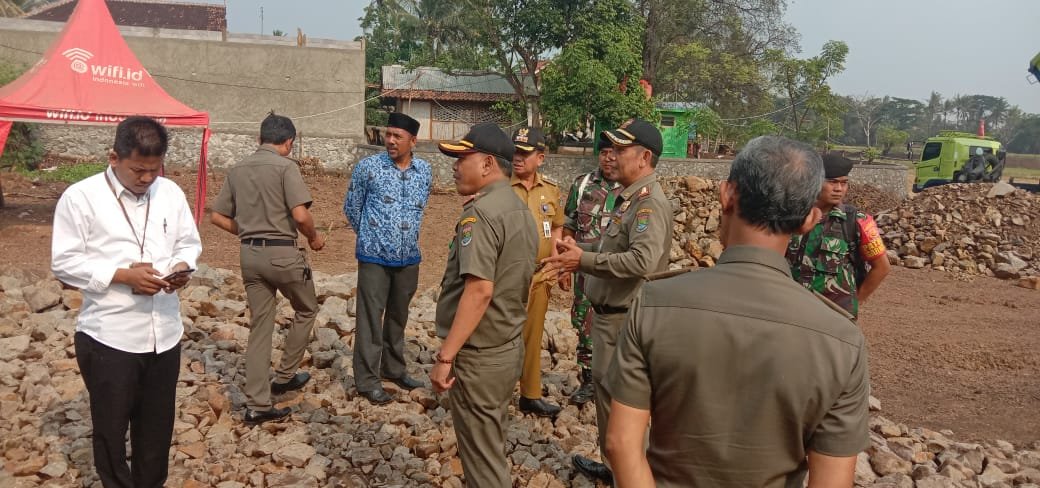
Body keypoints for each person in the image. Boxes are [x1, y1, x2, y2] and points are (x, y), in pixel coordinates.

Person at [605, 136, 870, 487]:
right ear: (810, 219)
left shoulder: (654, 303)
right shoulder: (842, 341)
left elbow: (621, 443)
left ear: (727, 194)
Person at [51, 116, 202, 487]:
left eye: (154, 169)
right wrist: (121, 275)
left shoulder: (170, 193)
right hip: (110, 336)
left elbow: (188, 243)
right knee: (111, 431)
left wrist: (180, 268)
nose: (147, 178)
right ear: (114, 157)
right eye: (138, 170)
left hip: (164, 333)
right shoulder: (81, 198)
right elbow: (64, 263)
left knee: (156, 431)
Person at [542, 119, 673, 484]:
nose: (613, 156)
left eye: (621, 150)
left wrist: (582, 260)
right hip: (608, 320)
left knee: (625, 408)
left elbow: (642, 261)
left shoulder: (648, 204)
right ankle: (614, 469)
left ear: (644, 157)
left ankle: (631, 476)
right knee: (607, 401)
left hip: (624, 322)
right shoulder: (628, 198)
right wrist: (579, 248)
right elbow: (612, 246)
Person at [429, 122, 538, 487]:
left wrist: (446, 357)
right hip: (505, 346)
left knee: (483, 461)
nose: (455, 166)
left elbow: (479, 291)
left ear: (488, 163)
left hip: (480, 356)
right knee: (490, 445)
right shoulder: (519, 209)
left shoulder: (481, 214)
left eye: (463, 158)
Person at [211, 112, 325, 424]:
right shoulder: (286, 167)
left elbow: (217, 217)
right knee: (307, 308)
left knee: (261, 327)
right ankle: (285, 376)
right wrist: (314, 238)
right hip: (283, 253)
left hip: (250, 255)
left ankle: (257, 405)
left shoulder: (238, 169)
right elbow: (300, 216)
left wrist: (248, 231)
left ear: (259, 138)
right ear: (289, 142)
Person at [344, 112, 432, 404]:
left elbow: (420, 208)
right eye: (388, 134)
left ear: (413, 141)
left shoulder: (424, 171)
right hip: (374, 257)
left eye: (398, 136)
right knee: (370, 318)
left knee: (398, 316)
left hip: (409, 258)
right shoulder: (368, 168)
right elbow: (352, 207)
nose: (390, 140)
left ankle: (393, 369)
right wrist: (371, 236)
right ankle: (367, 380)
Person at [785, 153, 890, 319]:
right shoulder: (790, 217)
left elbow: (882, 267)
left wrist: (855, 302)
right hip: (791, 310)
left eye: (844, 183)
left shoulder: (858, 221)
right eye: (832, 182)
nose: (839, 189)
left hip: (834, 316)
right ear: (814, 181)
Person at [561, 133, 622, 406]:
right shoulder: (583, 184)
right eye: (604, 153)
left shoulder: (630, 189)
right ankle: (589, 380)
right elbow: (569, 226)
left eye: (614, 153)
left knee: (618, 322)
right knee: (584, 321)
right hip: (585, 271)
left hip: (616, 271)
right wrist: (565, 264)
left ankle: (616, 380)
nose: (608, 158)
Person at [508, 125, 565, 418]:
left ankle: (530, 394)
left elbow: (556, 226)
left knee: (533, 336)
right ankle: (496, 391)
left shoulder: (551, 190)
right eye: (515, 152)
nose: (518, 158)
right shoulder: (500, 187)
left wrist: (556, 260)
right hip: (507, 276)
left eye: (525, 153)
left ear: (540, 158)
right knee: (503, 334)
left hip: (541, 275)